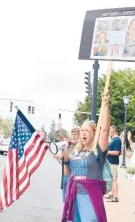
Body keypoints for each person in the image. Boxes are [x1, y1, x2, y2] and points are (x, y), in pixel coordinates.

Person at [61, 91, 110, 222]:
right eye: (82, 130)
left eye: (87, 130)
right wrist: (66, 162)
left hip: (89, 197)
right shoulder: (76, 152)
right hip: (73, 196)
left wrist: (105, 105)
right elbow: (68, 174)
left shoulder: (97, 151)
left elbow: (105, 129)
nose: (83, 133)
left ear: (94, 134)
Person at [54, 127, 80, 202]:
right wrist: (57, 131)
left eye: (76, 134)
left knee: (73, 201)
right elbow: (62, 138)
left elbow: (77, 160)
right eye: (73, 134)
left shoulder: (81, 147)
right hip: (65, 175)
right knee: (65, 200)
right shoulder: (68, 144)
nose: (74, 136)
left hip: (74, 176)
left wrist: (66, 157)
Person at [104, 125, 121, 203]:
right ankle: (112, 194)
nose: (109, 131)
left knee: (114, 179)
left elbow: (117, 152)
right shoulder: (113, 139)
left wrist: (107, 152)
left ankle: (115, 196)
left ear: (113, 130)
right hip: (111, 162)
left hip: (113, 162)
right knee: (112, 179)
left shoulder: (117, 140)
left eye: (110, 129)